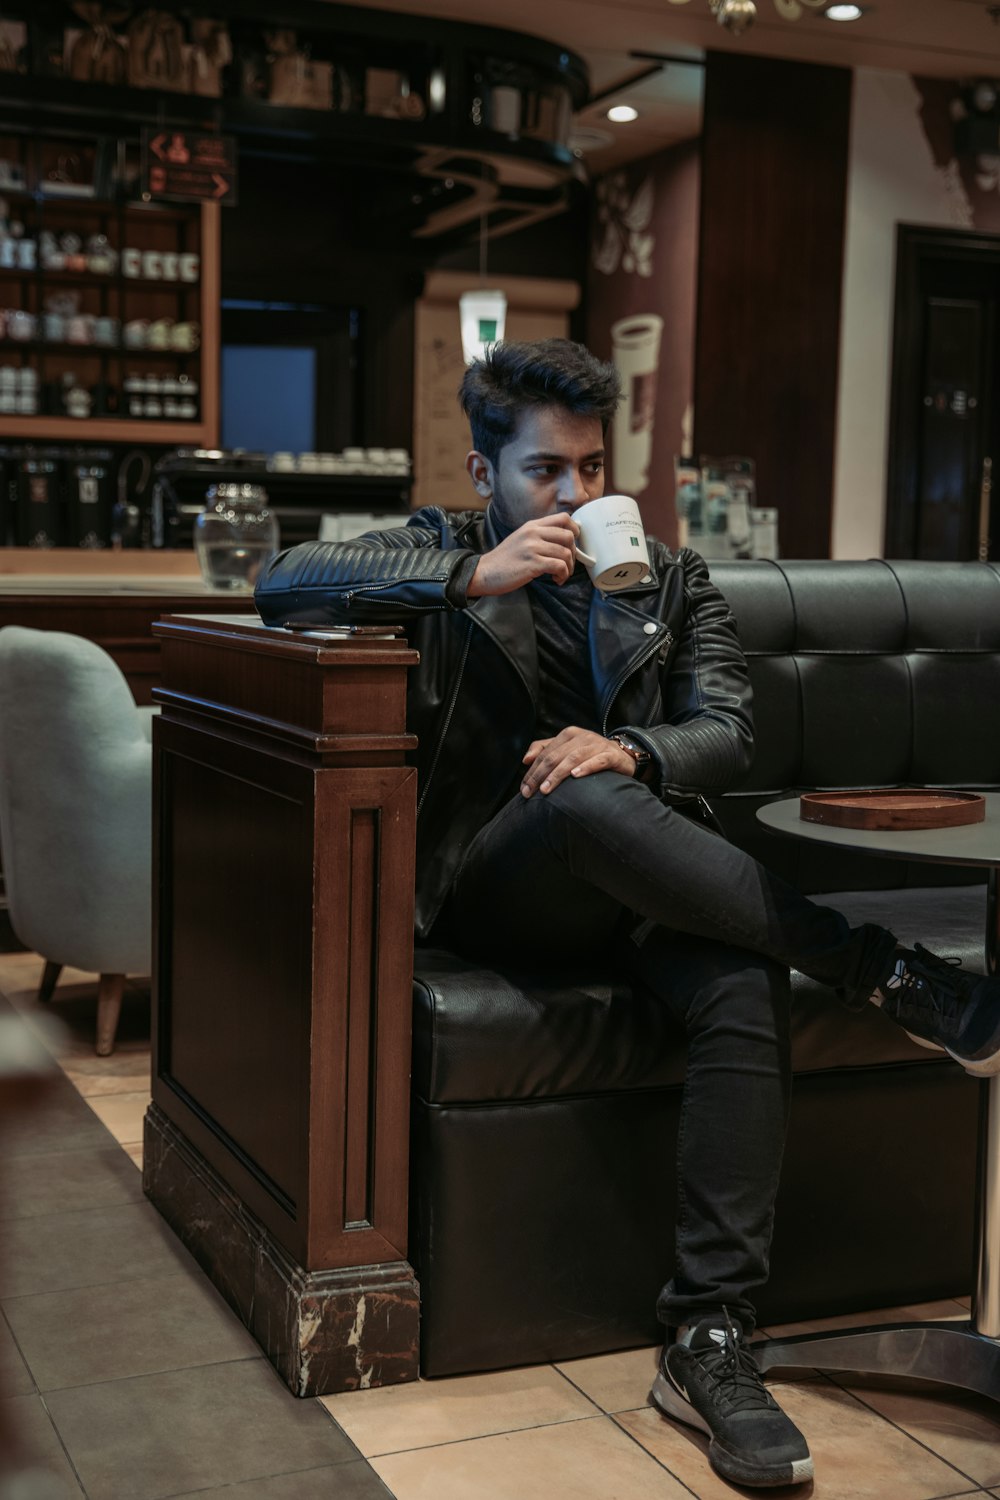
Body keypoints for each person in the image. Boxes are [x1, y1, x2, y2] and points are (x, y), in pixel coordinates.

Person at [255, 338, 1000, 1490]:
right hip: (499, 889)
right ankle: (887, 974)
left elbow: (729, 731)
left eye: (593, 469)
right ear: (484, 472)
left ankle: (708, 1340)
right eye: (546, 472)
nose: (576, 496)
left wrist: (637, 745)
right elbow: (282, 580)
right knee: (573, 793)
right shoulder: (445, 549)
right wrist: (471, 577)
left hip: (647, 887)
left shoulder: (667, 574)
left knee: (739, 977)